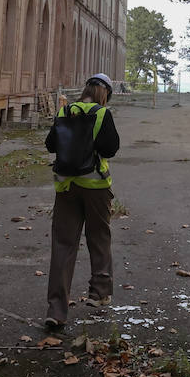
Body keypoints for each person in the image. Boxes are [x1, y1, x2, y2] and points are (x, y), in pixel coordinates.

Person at [44, 73, 121, 331]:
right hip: (96, 187)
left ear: (86, 89)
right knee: (98, 237)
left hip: (66, 186)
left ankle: (56, 310)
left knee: (63, 245)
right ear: (105, 94)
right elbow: (110, 149)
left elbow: (50, 144)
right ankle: (98, 294)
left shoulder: (65, 112)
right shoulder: (101, 114)